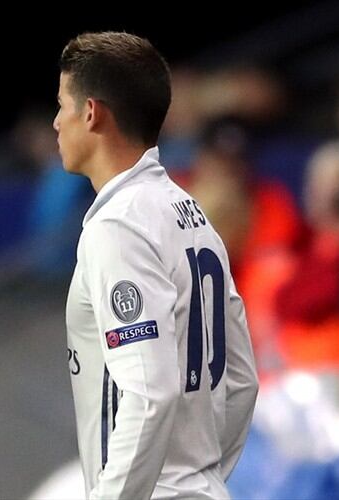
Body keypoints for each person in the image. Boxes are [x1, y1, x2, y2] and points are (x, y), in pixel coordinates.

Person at [55, 32, 259, 499]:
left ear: (91, 113)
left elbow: (151, 392)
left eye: (62, 105)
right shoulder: (190, 211)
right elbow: (242, 379)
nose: (55, 122)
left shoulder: (117, 226)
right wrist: (201, 480)